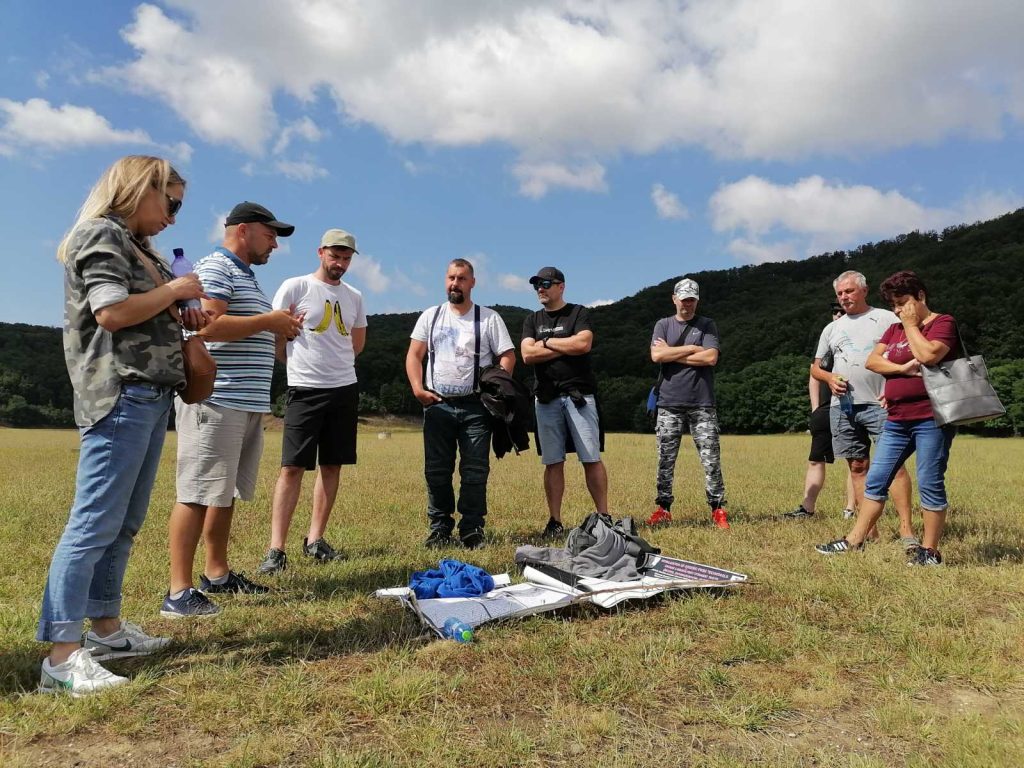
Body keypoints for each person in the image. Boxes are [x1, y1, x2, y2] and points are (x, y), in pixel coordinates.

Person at [38, 155, 209, 694]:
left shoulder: (142, 249)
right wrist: (176, 293)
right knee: (92, 523)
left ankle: (106, 629)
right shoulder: (100, 235)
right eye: (172, 202)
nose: (174, 217)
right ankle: (62, 656)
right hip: (120, 390)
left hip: (150, 394)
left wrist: (181, 311)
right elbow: (111, 312)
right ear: (140, 189)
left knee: (123, 522)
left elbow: (140, 308)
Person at [163, 202, 303, 617]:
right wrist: (269, 322)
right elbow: (204, 325)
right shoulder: (217, 268)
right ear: (244, 230)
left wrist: (280, 324)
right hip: (216, 398)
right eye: (271, 234)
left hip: (242, 403)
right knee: (196, 492)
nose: (276, 243)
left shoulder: (244, 275)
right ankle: (178, 591)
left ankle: (218, 574)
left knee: (220, 493)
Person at [816, 271, 959, 565]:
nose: (898, 310)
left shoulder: (942, 323)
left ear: (921, 296)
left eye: (902, 302)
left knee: (930, 481)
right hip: (896, 418)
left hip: (931, 418)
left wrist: (909, 326)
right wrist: (902, 368)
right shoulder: (894, 330)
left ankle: (930, 552)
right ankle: (854, 540)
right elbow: (873, 361)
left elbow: (929, 354)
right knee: (877, 479)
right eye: (894, 305)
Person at [257, 229, 367, 574]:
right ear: (320, 252)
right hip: (305, 388)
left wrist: (335, 366)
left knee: (332, 465)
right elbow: (277, 336)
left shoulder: (355, 296)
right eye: (335, 256)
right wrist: (297, 363)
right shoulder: (295, 287)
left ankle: (315, 539)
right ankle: (276, 549)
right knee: (291, 468)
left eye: (346, 258)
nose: (340, 263)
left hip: (344, 388)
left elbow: (357, 343)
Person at [405, 259, 515, 550]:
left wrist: (499, 389)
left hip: (475, 407)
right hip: (437, 404)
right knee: (437, 470)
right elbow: (414, 355)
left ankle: (472, 529)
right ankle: (439, 528)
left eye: (462, 278)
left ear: (472, 283)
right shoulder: (431, 316)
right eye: (451, 278)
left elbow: (507, 356)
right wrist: (418, 389)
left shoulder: (489, 318)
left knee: (475, 470)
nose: (455, 284)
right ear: (445, 280)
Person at [811, 270, 917, 549]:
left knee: (895, 466)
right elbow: (816, 366)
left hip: (881, 403)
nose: (844, 297)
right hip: (843, 406)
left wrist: (894, 386)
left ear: (864, 291)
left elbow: (909, 350)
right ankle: (869, 533)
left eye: (849, 291)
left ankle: (907, 530)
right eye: (840, 293)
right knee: (857, 466)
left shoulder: (885, 318)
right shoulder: (831, 329)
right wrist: (829, 378)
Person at [520, 267, 608, 537]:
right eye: (537, 285)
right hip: (545, 399)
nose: (540, 289)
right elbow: (526, 354)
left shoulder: (578, 313)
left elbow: (583, 345)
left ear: (561, 286)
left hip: (579, 396)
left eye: (546, 283)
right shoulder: (531, 319)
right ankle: (555, 521)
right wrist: (560, 343)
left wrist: (544, 343)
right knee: (553, 461)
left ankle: (604, 517)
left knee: (591, 457)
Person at [648, 278, 730, 529]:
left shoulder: (707, 325)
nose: (687, 304)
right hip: (669, 402)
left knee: (710, 458)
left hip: (702, 403)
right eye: (683, 299)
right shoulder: (663, 325)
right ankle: (663, 508)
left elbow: (711, 358)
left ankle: (717, 509)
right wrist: (693, 349)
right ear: (674, 299)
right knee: (665, 459)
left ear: (697, 300)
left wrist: (673, 353)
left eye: (692, 299)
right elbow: (656, 355)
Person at [784, 302, 857, 519]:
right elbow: (813, 374)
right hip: (825, 409)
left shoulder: (856, 341)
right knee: (816, 458)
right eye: (835, 311)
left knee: (854, 460)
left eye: (842, 311)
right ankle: (807, 508)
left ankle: (851, 509)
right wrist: (815, 408)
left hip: (851, 407)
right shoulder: (827, 339)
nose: (837, 314)